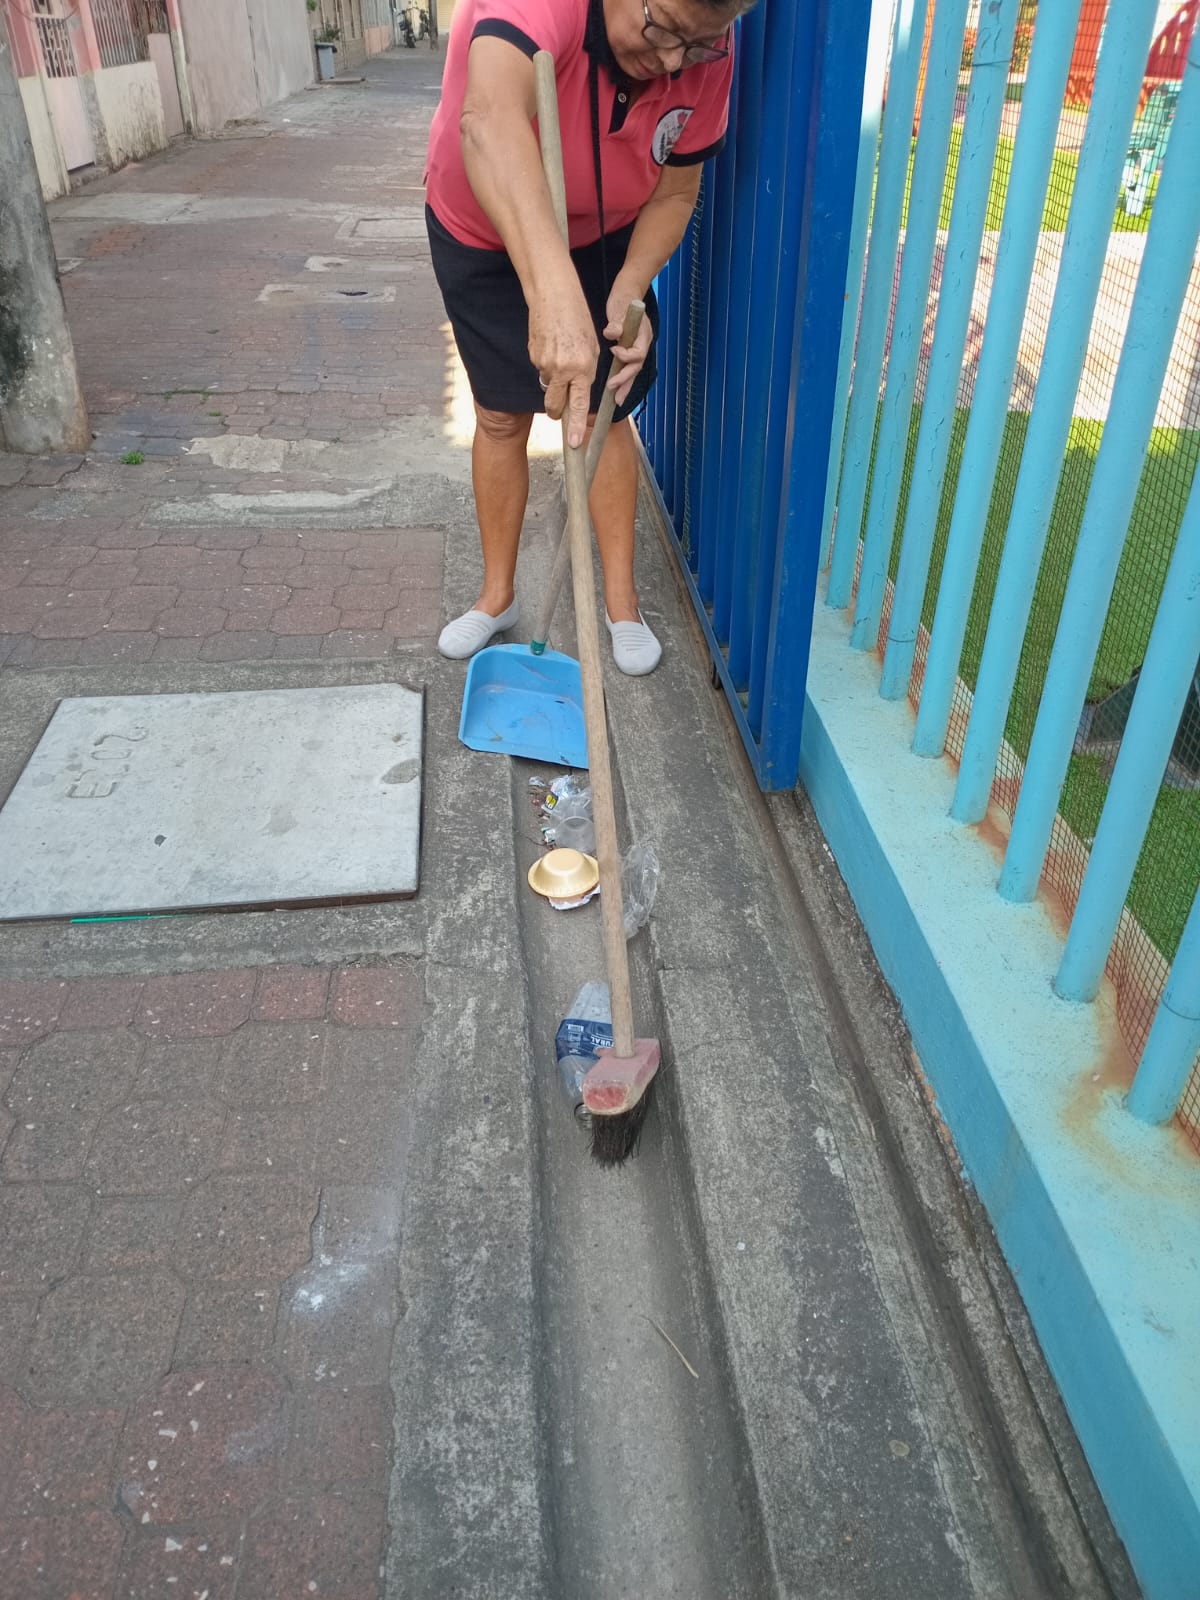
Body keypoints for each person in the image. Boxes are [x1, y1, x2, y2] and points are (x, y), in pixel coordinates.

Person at [425, 0, 747, 674]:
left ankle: (623, 605)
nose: (672, 61)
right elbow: (487, 120)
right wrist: (551, 293)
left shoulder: (704, 48)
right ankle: (497, 597)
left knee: (605, 413)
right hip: (487, 223)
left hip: (605, 228)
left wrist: (629, 287)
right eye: (662, 29)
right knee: (499, 415)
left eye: (696, 45)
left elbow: (674, 194)